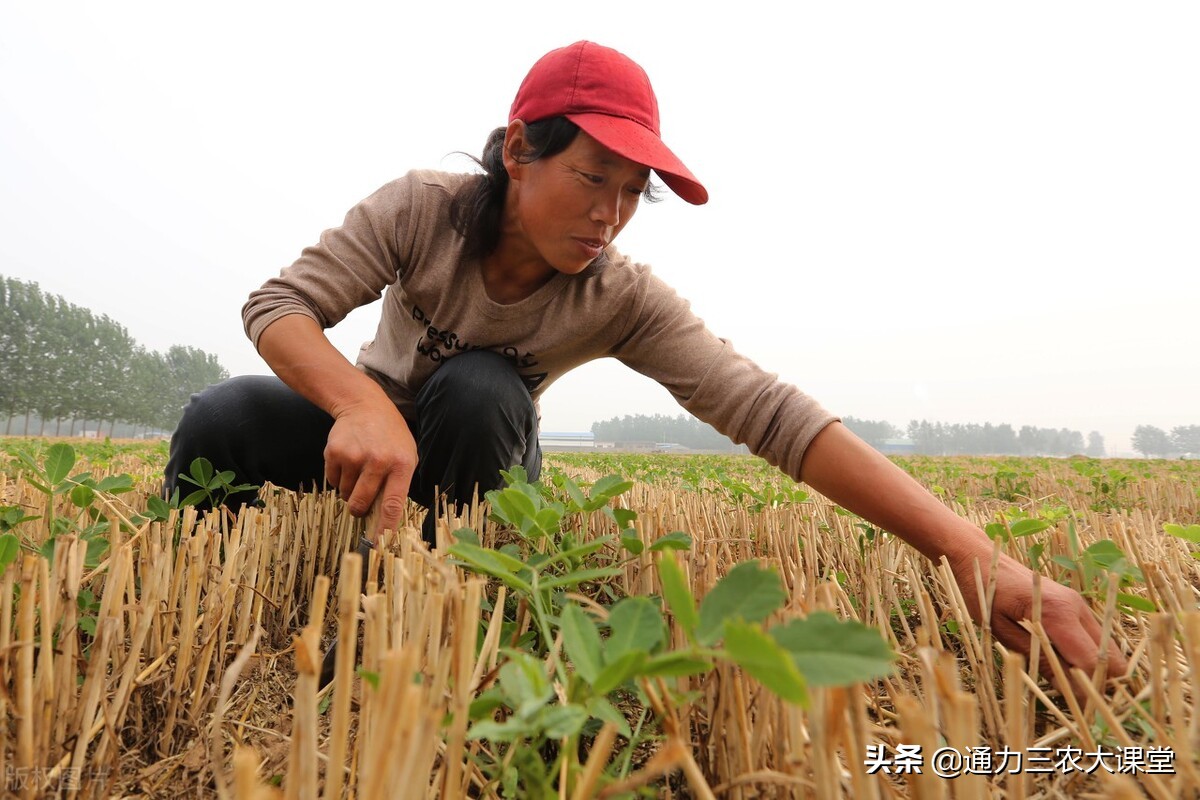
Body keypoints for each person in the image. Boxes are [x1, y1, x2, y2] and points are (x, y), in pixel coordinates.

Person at [166, 41, 1125, 689]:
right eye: (593, 177)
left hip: (479, 459)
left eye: (633, 193)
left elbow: (772, 413)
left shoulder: (618, 295)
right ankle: (199, 622)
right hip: (374, 448)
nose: (609, 215)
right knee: (221, 417)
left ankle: (434, 624)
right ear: (519, 150)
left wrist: (976, 557)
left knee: (480, 386)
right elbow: (278, 307)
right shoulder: (422, 209)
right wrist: (358, 402)